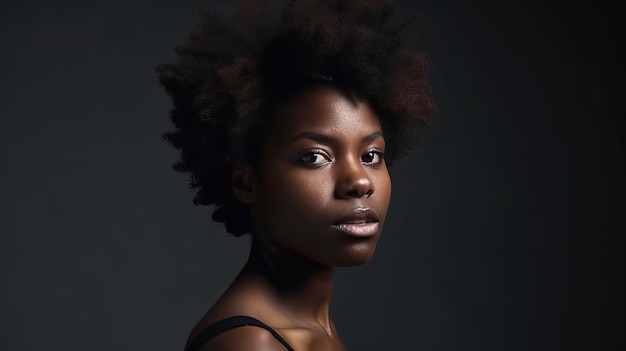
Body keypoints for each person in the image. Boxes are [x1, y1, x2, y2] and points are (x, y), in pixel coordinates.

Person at [157, 0, 435, 349]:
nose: (360, 182)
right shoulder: (252, 343)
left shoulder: (313, 328)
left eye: (371, 155)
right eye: (315, 157)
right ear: (247, 181)